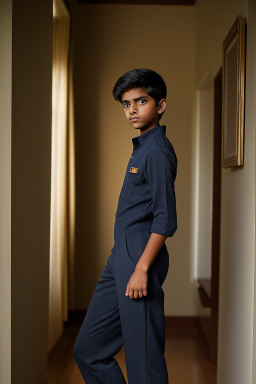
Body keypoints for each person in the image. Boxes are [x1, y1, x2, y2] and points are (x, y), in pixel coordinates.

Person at [73, 68, 178, 384]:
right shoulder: (142, 147)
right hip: (122, 255)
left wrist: (142, 269)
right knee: (88, 349)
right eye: (126, 103)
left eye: (141, 101)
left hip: (140, 256)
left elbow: (165, 217)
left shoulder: (157, 151)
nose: (132, 110)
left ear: (159, 105)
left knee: (143, 362)